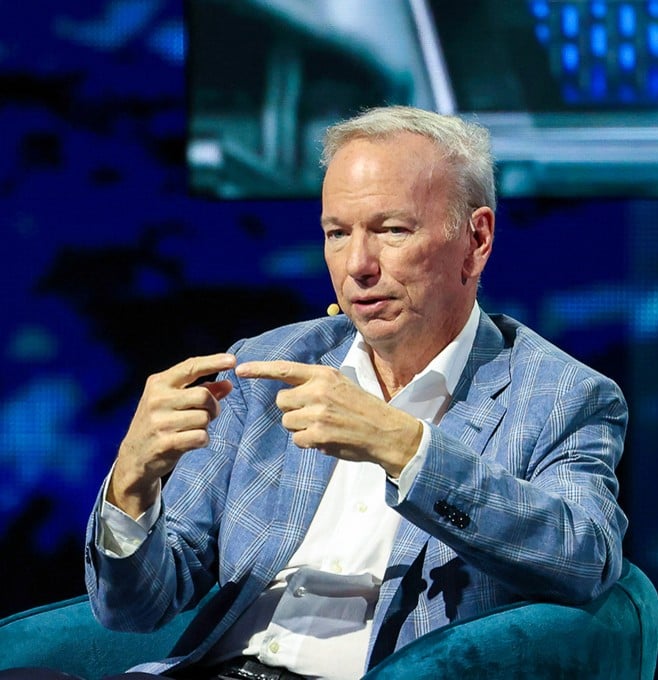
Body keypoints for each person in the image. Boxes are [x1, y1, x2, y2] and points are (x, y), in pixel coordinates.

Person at [52, 106, 627, 679]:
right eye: (336, 234)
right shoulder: (264, 368)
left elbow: (585, 558)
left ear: (476, 240)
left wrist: (405, 448)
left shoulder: (561, 394)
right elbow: (138, 606)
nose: (358, 266)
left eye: (392, 230)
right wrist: (132, 481)